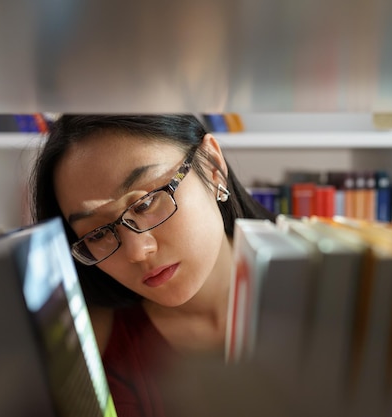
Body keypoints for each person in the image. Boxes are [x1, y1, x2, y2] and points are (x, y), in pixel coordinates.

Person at [29, 114, 275, 417]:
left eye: (146, 203)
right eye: (99, 233)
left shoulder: (329, 285)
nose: (137, 251)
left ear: (213, 167)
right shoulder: (90, 342)